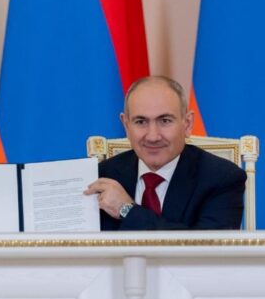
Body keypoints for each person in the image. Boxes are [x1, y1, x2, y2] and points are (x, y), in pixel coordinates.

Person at [84, 76, 245, 230]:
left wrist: (127, 210)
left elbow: (209, 250)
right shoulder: (101, 176)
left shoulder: (222, 178)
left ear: (187, 124)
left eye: (165, 121)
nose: (153, 136)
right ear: (126, 125)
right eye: (140, 122)